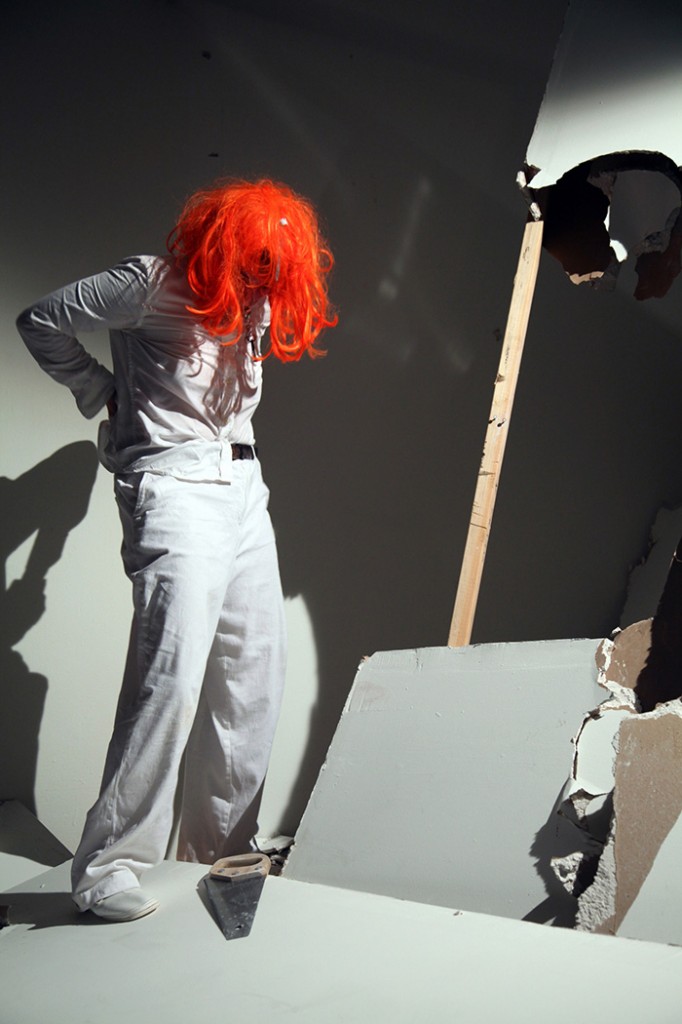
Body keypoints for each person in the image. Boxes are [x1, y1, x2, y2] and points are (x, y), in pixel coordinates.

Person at [16, 178, 337, 922]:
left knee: (254, 676)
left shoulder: (257, 300)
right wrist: (101, 392)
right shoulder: (148, 283)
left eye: (276, 264)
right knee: (171, 676)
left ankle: (215, 853)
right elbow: (41, 320)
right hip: (173, 484)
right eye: (256, 259)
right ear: (225, 240)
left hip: (244, 486)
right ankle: (107, 868)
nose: (265, 276)